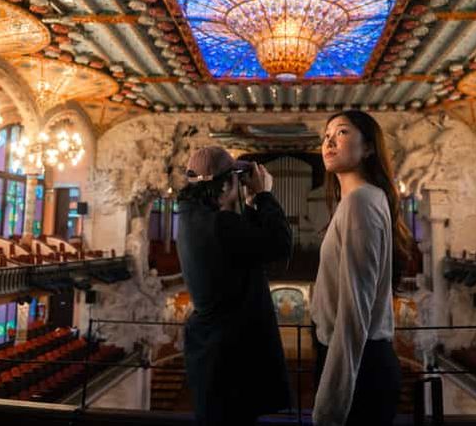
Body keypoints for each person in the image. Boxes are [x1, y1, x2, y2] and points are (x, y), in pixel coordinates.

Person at [176, 146, 292, 426]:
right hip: (232, 357)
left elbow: (243, 245)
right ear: (227, 184)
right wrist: (264, 195)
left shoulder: (192, 219)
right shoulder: (221, 224)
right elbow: (280, 244)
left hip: (210, 351)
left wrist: (249, 205)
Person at [311, 110, 412, 426]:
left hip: (359, 365)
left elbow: (354, 310)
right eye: (326, 136)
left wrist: (330, 402)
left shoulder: (361, 201)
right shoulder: (360, 200)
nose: (329, 142)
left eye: (342, 132)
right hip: (360, 358)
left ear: (368, 147)